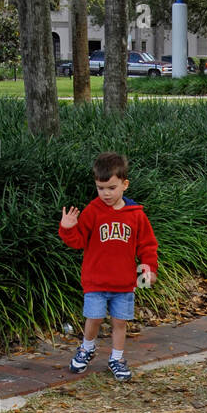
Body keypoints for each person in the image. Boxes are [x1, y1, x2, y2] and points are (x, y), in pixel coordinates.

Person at [59, 152, 158, 381]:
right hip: (95, 281)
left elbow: (147, 244)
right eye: (100, 188)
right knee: (93, 318)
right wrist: (67, 228)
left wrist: (148, 267)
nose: (105, 194)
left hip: (124, 283)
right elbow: (78, 241)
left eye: (111, 188)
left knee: (119, 322)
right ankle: (87, 348)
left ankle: (117, 357)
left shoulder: (136, 216)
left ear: (125, 185)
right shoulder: (93, 211)